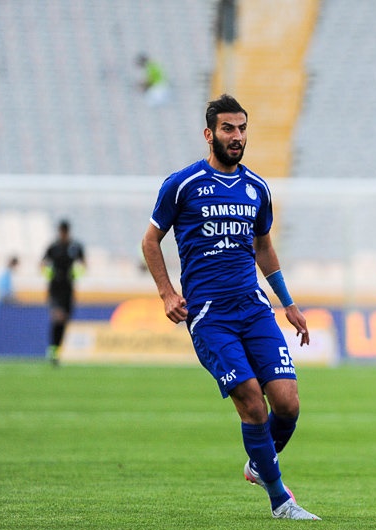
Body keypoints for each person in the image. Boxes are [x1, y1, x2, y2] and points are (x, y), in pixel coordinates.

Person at [141, 94, 319, 520]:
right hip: (209, 315)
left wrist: (288, 304)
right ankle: (281, 501)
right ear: (209, 134)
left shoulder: (257, 187)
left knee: (288, 404)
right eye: (227, 129)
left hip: (255, 308)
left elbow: (263, 247)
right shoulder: (182, 184)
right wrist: (167, 292)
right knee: (252, 403)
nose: (236, 136)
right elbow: (150, 241)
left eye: (241, 128)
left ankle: (258, 465)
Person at [42, 220, 86, 366]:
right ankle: (52, 350)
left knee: (64, 319)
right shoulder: (53, 247)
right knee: (58, 317)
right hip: (55, 287)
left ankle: (55, 351)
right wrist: (50, 274)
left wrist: (77, 273)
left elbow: (83, 264)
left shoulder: (75, 247)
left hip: (68, 287)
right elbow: (43, 263)